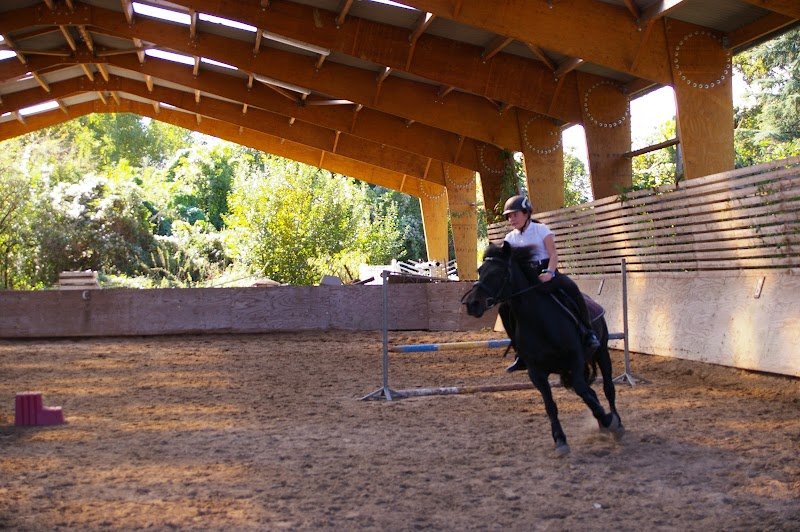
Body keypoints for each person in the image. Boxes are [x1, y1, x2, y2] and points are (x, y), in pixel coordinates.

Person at [500, 195, 600, 372]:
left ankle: (588, 333)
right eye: (508, 216)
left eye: (514, 214)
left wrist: (549, 272)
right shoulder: (509, 238)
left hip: (547, 272)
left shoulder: (541, 229)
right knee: (504, 308)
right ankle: (520, 352)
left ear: (526, 213)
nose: (511, 219)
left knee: (572, 289)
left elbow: (553, 254)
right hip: (526, 280)